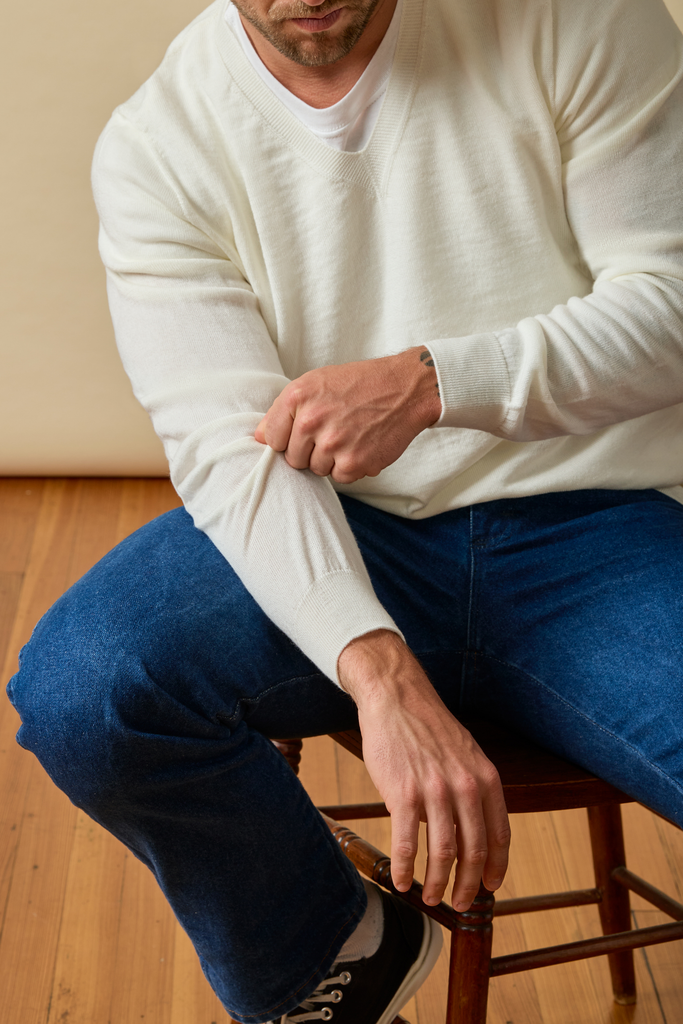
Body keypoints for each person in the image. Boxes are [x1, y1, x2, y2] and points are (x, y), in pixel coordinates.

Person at [7, 0, 683, 1020]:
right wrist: (378, 673)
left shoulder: (574, 19)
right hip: (341, 525)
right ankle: (334, 952)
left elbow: (671, 307)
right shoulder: (161, 142)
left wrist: (430, 383)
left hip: (596, 520)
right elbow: (228, 452)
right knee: (84, 688)